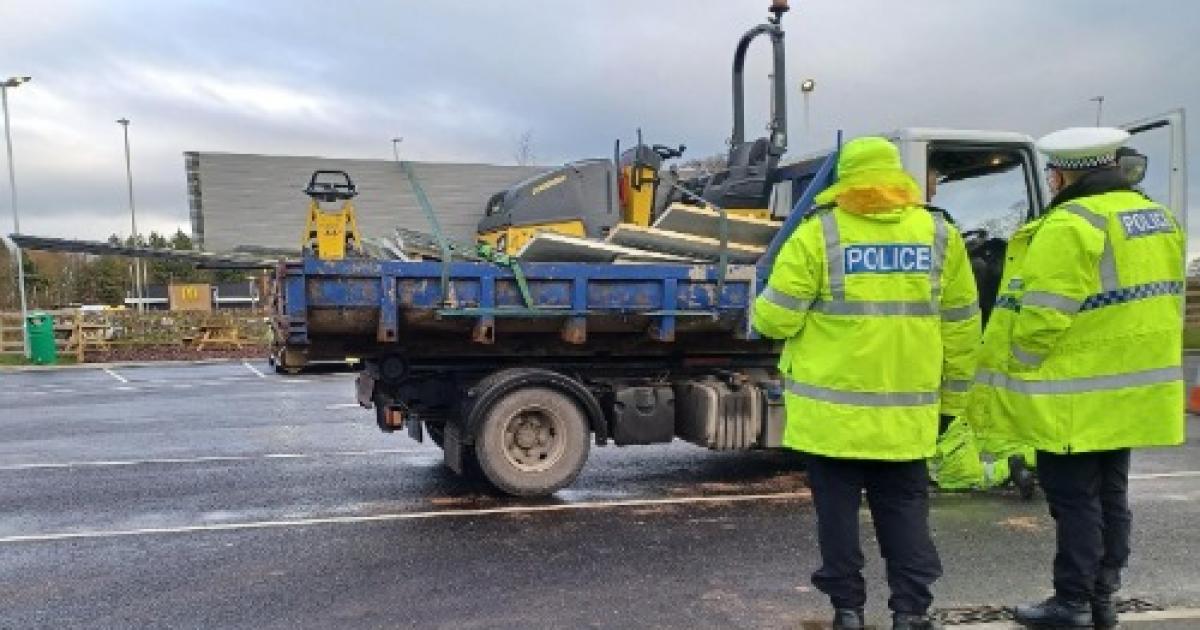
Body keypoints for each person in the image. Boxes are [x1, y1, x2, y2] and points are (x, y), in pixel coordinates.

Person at [753, 136, 980, 630]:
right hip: (908, 414)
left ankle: (848, 611)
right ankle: (912, 611)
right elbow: (962, 328)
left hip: (831, 419)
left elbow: (773, 321)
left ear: (845, 180)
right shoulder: (939, 234)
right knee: (906, 516)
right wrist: (952, 404)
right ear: (900, 177)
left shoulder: (820, 234)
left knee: (837, 521)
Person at [968, 127, 1186, 628]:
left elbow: (1044, 312)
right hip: (1131, 387)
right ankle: (1104, 595)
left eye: (1051, 172)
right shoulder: (1159, 219)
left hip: (1074, 392)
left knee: (1074, 500)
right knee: (1112, 495)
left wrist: (1019, 362)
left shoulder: (1071, 224)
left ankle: (1074, 602)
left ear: (1064, 172)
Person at [930, 415, 1036, 498]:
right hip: (961, 416)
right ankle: (1034, 460)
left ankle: (1011, 467)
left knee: (959, 472)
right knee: (999, 440)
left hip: (943, 431)